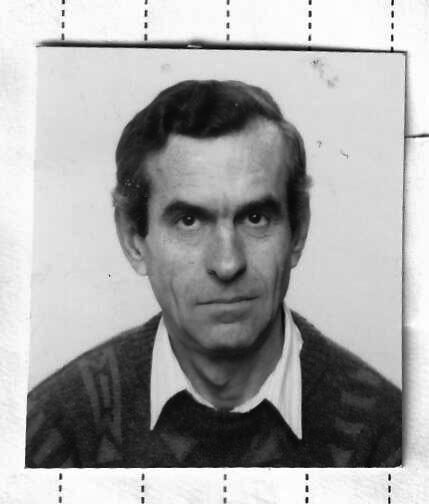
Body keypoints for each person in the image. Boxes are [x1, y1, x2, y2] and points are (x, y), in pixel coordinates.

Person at [26, 79, 401, 468]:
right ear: (133, 239)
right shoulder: (53, 431)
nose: (227, 264)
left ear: (299, 230)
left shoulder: (389, 439)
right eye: (188, 221)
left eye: (255, 217)